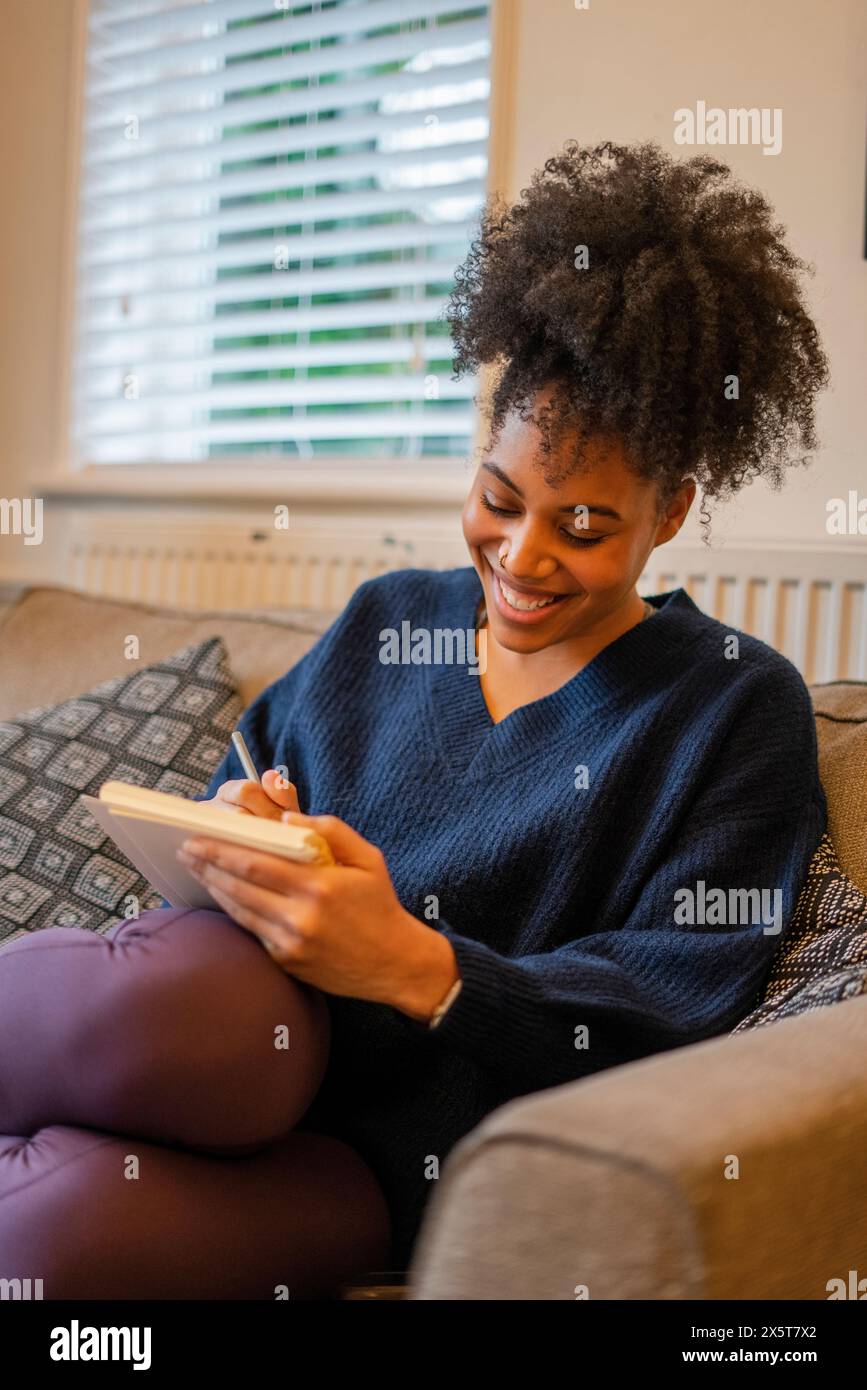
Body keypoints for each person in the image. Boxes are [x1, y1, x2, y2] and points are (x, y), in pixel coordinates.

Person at [0, 141, 829, 1297]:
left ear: (672, 508)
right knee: (187, 1009)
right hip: (207, 1031)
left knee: (45, 1246)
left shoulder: (731, 707)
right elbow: (236, 800)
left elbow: (669, 1008)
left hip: (387, 1151)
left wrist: (419, 966)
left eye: (582, 528)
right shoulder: (390, 619)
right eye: (498, 500)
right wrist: (242, 822)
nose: (522, 559)